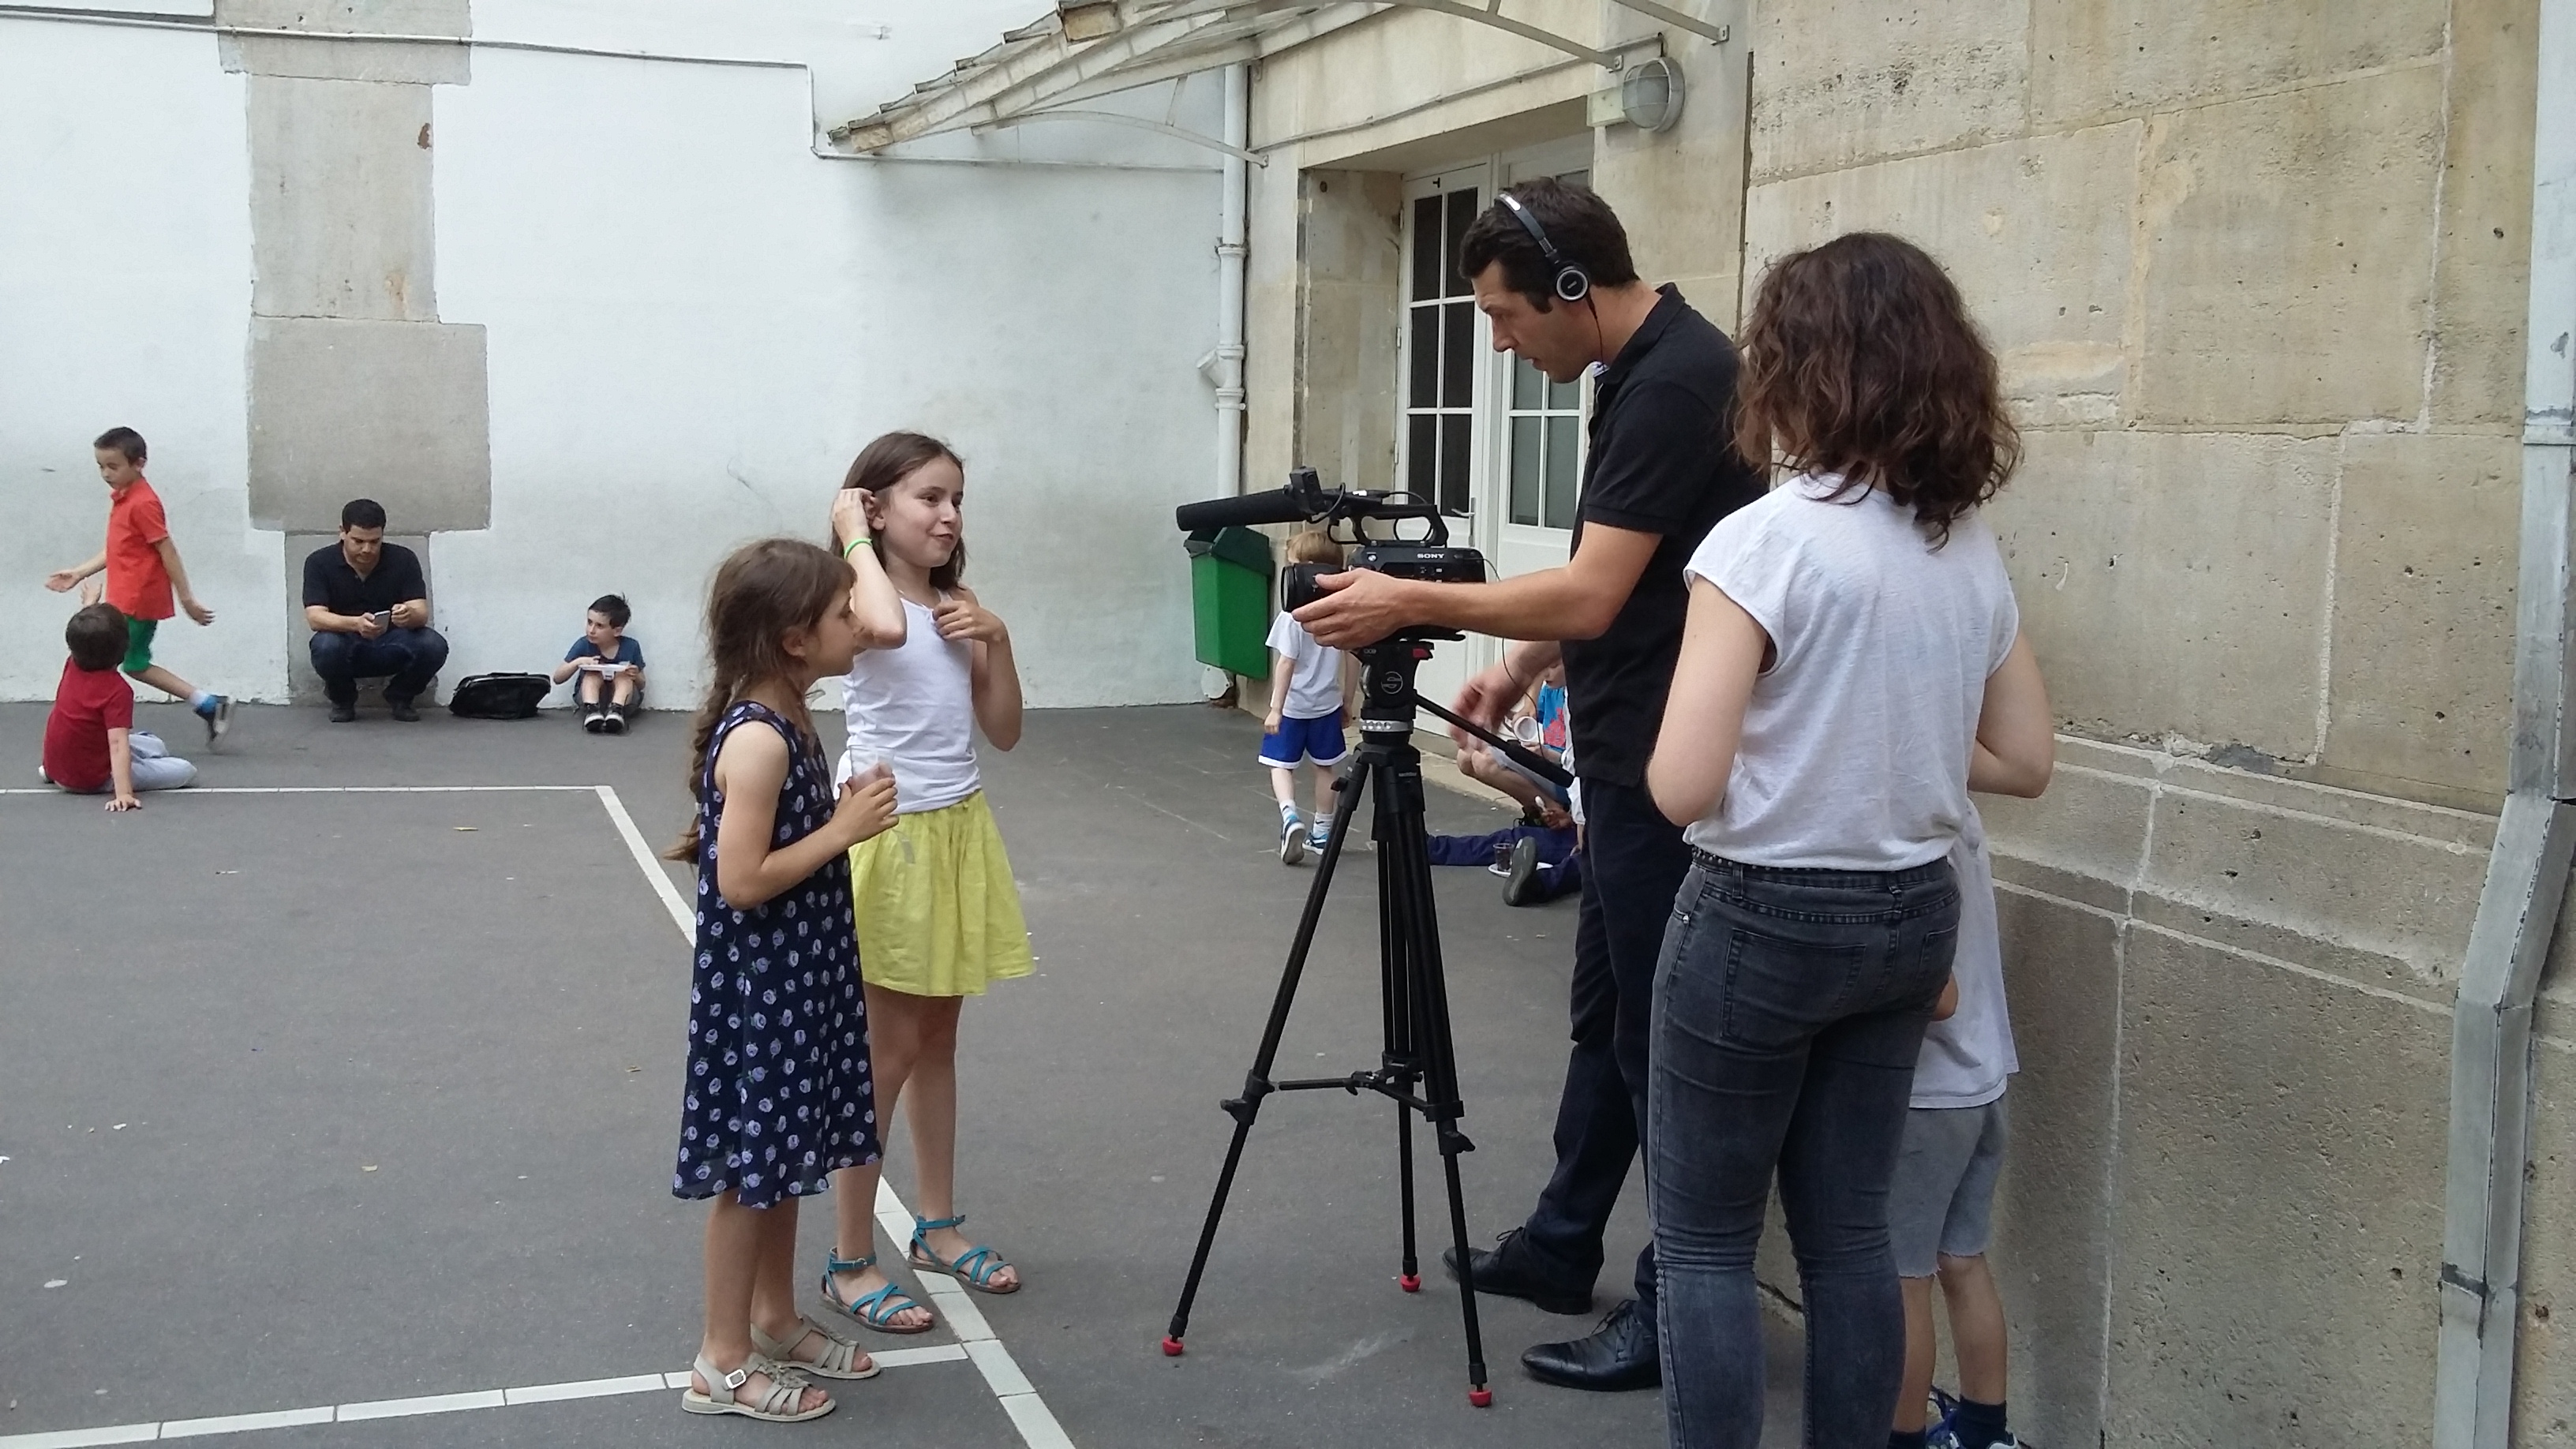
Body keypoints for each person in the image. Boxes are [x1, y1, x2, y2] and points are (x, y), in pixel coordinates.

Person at [1295, 175, 1762, 1390]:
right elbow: (1630, 576)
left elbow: (1602, 590)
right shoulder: (1643, 368)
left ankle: (1676, 1305)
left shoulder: (1675, 381)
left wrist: (1412, 601)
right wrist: (1518, 666)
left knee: (1663, 1041)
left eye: (1504, 318)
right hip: (1622, 758)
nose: (1497, 344)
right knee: (1609, 1021)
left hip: (1670, 772)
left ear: (1571, 287)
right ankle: (1563, 1245)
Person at [1640, 232, 2054, 1449]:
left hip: (1760, 911)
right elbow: (2025, 758)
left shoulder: (1764, 540)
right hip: (1911, 914)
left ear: (1795, 368)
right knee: (1855, 1236)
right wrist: (1889, 742)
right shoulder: (1964, 548)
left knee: (1711, 1239)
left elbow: (1680, 785)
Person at [663, 532, 906, 1424]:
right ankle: (719, 1363)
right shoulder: (760, 740)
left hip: (799, 979)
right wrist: (844, 830)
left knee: (783, 1161)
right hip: (763, 990)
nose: (860, 626)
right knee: (746, 1176)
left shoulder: (793, 712)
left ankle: (772, 1317)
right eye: (844, 614)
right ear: (795, 638)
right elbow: (740, 880)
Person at [818, 432, 1035, 1335]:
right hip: (889, 836)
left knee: (939, 1037)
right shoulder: (851, 599)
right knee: (887, 1052)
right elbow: (881, 628)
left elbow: (1005, 731)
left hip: (957, 830)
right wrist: (851, 536)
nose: (949, 516)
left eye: (956, 501)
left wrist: (998, 638)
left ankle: (937, 1225)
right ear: (874, 507)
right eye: (928, 499)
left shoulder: (957, 606)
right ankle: (848, 1257)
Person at [1890, 811, 2020, 1449]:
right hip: (1984, 1075)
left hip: (1929, 1089)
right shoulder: (1962, 814)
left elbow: (1937, 991)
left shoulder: (1914, 831)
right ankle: (1984, 1434)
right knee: (1962, 1261)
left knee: (1902, 1280)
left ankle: (1902, 1438)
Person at [43, 427, 233, 745]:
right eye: (101, 466)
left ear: (139, 464)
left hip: (136, 600)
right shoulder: (124, 498)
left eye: (113, 466)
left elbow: (167, 549)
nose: (105, 474)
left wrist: (187, 599)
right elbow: (120, 547)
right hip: (126, 597)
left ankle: (94, 733)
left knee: (107, 662)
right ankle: (209, 704)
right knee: (132, 663)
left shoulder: (143, 503)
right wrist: (78, 572)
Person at [39, 602, 197, 807]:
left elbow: (88, 640)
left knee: (155, 744)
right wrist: (124, 794)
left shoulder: (73, 664)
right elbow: (117, 744)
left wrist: (87, 605)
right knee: (185, 770)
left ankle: (54, 772)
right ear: (125, 645)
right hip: (90, 780)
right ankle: (107, 779)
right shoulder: (117, 690)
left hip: (57, 767)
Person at [302, 499, 447, 722]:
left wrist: (408, 615)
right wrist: (355, 624)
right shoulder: (319, 562)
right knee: (326, 645)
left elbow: (421, 612)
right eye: (358, 541)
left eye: (375, 541)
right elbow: (315, 617)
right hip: (345, 642)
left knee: (433, 644)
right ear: (342, 532)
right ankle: (343, 700)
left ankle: (401, 696)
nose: (367, 549)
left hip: (392, 639)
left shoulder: (403, 559)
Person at [1262, 528, 1355, 864]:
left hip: (1293, 706)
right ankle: (1323, 831)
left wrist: (1275, 708)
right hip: (1326, 705)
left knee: (1280, 766)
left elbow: (1286, 663)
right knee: (1325, 769)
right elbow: (1352, 656)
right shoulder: (1340, 612)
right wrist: (1348, 700)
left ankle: (1289, 816)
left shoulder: (1293, 616)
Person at [554, 593, 647, 734]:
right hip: (590, 698)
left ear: (617, 631)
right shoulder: (583, 644)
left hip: (626, 702)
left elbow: (642, 684)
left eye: (599, 626)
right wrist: (579, 662)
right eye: (589, 622)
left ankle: (616, 712)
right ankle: (592, 712)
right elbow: (557, 678)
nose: (591, 630)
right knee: (593, 674)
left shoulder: (631, 646)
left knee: (623, 675)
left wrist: (635, 674)